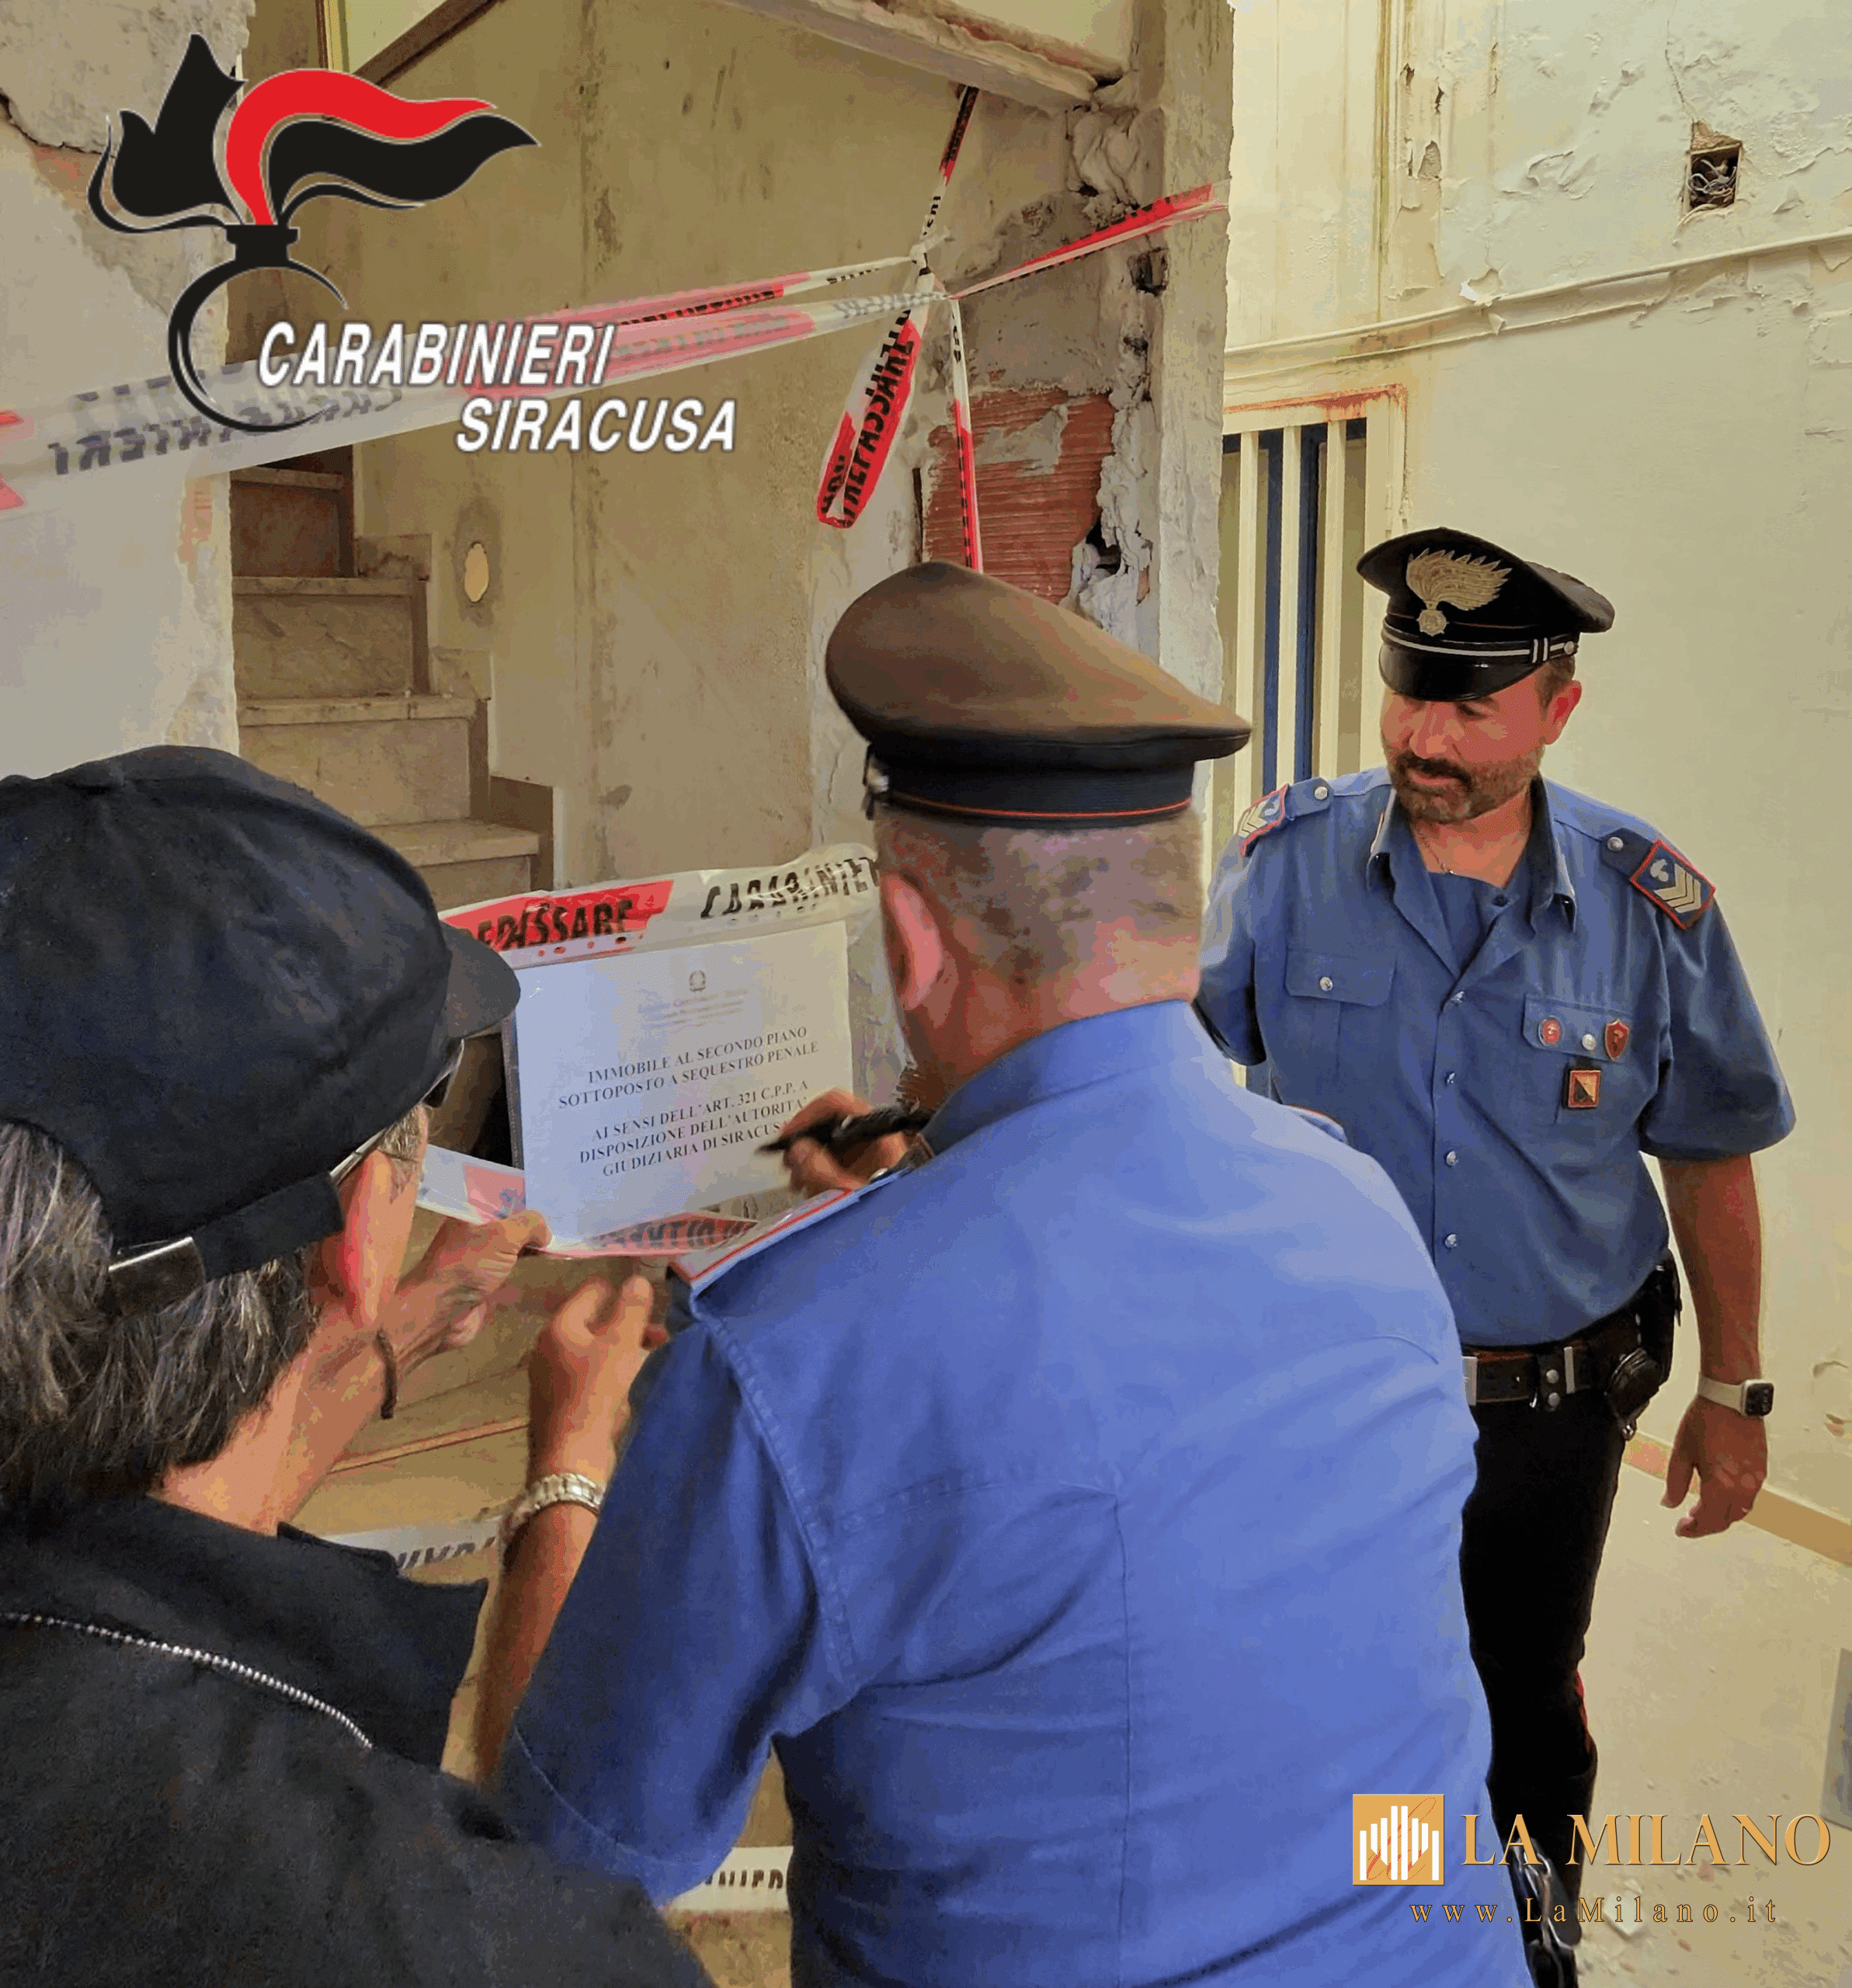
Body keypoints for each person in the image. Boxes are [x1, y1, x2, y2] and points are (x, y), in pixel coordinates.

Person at [477, 562, 1529, 1987]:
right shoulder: (1362, 1210)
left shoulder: (789, 1360)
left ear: (908, 941)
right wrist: (919, 1223)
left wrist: (570, 1464)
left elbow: (557, 1872)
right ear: (1180, 922)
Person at [0, 746, 710, 1988]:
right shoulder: (430, 1933)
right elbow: (551, 1865)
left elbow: (189, 1491)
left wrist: (404, 1330)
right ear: (365, 1234)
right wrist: (567, 1480)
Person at [1194, 528, 1795, 1984]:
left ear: (1556, 710)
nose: (1424, 734)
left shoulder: (1650, 910)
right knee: (1353, 1698)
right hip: (1333, 1396)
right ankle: (1391, 1941)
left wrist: (1742, 1390)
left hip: (1550, 1404)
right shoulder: (1286, 865)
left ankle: (1523, 1949)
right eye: (1408, 691)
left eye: (1468, 704)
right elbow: (1168, 1076)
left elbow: (1708, 1156)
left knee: (1518, 1699)